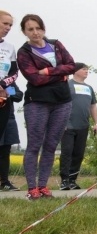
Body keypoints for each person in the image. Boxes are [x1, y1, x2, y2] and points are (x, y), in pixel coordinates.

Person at [17, 14, 77, 199]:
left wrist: (49, 71)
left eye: (38, 28)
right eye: (30, 29)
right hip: (38, 102)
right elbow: (34, 78)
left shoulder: (56, 44)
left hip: (62, 101)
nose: (35, 32)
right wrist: (60, 74)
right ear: (25, 32)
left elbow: (72, 65)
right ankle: (31, 188)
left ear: (43, 29)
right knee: (34, 145)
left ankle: (43, 185)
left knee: (51, 145)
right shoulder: (24, 52)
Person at [59, 62, 97, 190]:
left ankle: (72, 180)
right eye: (84, 69)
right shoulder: (67, 85)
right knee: (67, 152)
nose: (86, 71)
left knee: (79, 153)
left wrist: (96, 123)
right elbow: (60, 104)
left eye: (87, 69)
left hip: (83, 125)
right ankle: (64, 180)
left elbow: (93, 106)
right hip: (68, 125)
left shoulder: (89, 88)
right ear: (75, 71)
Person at [0, 77, 23, 191]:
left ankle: (4, 182)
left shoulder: (8, 81)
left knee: (5, 151)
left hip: (8, 118)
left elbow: (19, 95)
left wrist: (5, 90)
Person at [0, 11, 19, 145]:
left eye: (10, 25)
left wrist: (3, 86)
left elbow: (14, 72)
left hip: (3, 97)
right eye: (5, 23)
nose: (8, 27)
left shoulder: (10, 48)